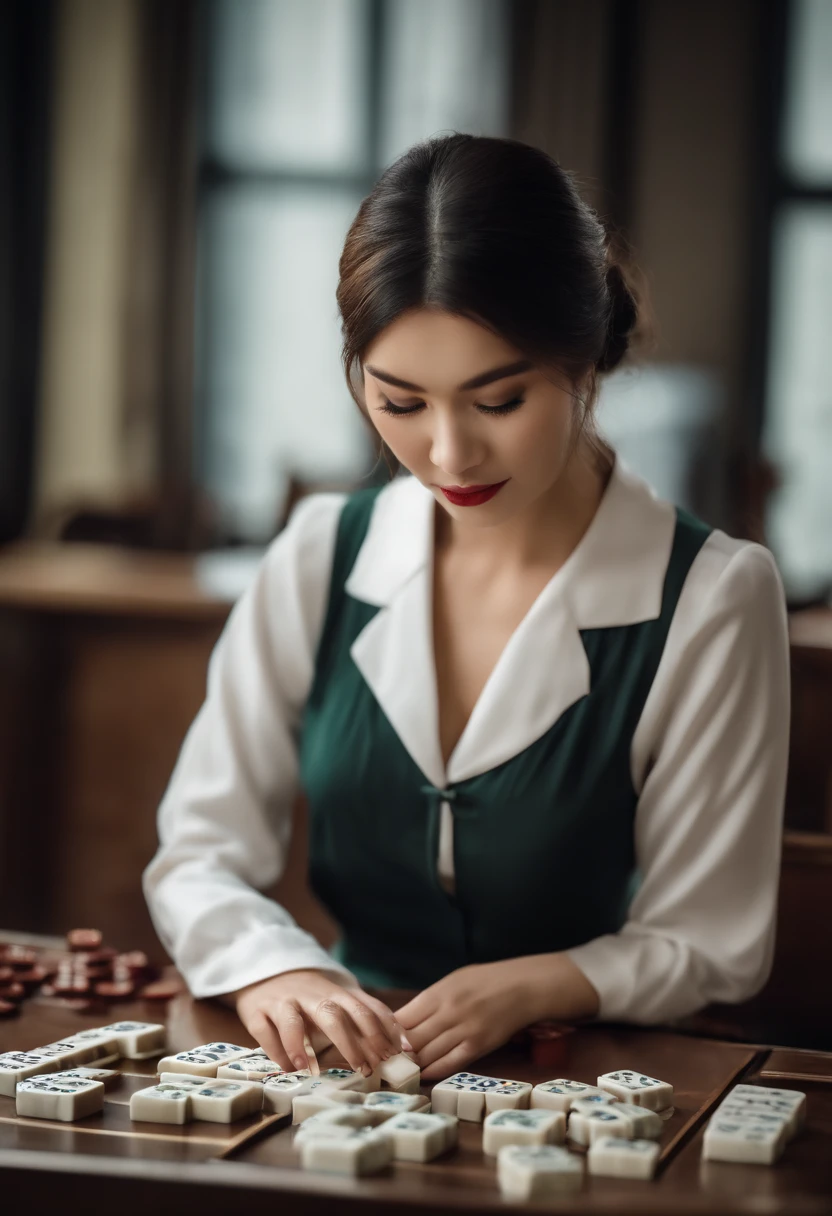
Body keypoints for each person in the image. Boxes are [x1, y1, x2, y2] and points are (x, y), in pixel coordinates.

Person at [143, 133, 790, 1085]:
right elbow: (198, 851)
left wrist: (542, 983)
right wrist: (271, 966)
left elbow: (713, 940)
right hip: (351, 1072)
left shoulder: (711, 595)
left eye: (499, 401)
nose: (449, 455)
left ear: (586, 365)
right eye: (401, 403)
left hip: (596, 1085)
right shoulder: (323, 554)